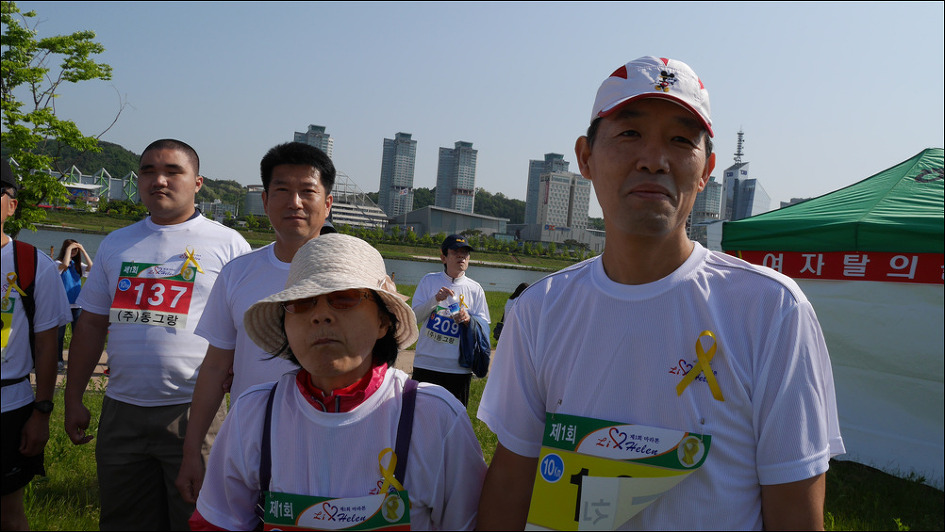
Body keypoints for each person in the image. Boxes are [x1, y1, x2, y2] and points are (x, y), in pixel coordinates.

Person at [477, 56, 844, 530]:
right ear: (585, 157)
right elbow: (511, 482)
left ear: (707, 169)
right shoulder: (540, 310)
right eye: (630, 133)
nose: (654, 160)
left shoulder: (771, 309)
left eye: (680, 140)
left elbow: (795, 508)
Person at [191, 234, 487, 530]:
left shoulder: (434, 418)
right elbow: (216, 522)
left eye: (344, 298)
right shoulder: (253, 414)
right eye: (302, 303)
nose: (321, 316)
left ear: (383, 322)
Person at [63, 139, 251, 531]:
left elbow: (246, 330)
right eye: (148, 171)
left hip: (194, 411)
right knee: (123, 520)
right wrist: (73, 397)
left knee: (197, 520)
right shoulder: (117, 243)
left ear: (197, 182)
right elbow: (91, 325)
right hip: (121, 410)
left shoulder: (229, 244)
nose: (159, 180)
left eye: (172, 171)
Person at [175, 142, 335, 504]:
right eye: (282, 190)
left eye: (307, 191)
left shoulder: (355, 276)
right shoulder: (238, 274)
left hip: (337, 444)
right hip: (254, 444)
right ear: (264, 201)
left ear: (327, 203)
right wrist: (191, 450)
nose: (295, 202)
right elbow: (215, 367)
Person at [1, 160, 71, 531]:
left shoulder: (32, 264)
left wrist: (42, 413)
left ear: (12, 205)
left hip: (9, 406)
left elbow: (47, 347)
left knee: (8, 512)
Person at [411, 235, 490, 406]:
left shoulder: (475, 289)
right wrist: (435, 299)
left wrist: (468, 320)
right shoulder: (429, 280)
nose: (461, 256)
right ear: (443, 257)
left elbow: (484, 327)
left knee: (454, 417)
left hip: (458, 368)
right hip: (426, 364)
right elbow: (414, 317)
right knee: (419, 415)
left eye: (465, 253)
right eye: (455, 252)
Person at [54, 239, 93, 370]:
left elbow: (92, 267)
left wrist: (83, 250)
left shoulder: (77, 265)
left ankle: (76, 360)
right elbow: (64, 265)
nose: (74, 252)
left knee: (78, 335)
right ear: (65, 249)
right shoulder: (57, 263)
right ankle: (58, 360)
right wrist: (69, 248)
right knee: (59, 335)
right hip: (61, 304)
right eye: (71, 249)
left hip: (77, 305)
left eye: (76, 250)